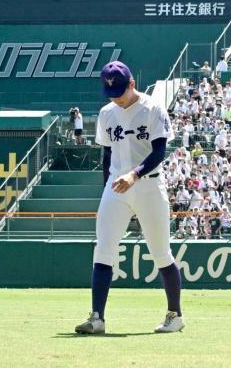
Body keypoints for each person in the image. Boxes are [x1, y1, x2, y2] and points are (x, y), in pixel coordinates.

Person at [75, 61, 184, 334]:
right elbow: (107, 154)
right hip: (116, 186)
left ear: (132, 84)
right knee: (103, 250)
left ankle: (175, 315)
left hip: (148, 185)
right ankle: (97, 317)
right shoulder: (106, 113)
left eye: (120, 91)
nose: (115, 96)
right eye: (111, 91)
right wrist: (107, 186)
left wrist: (133, 175)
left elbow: (159, 152)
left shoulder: (152, 108)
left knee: (161, 253)